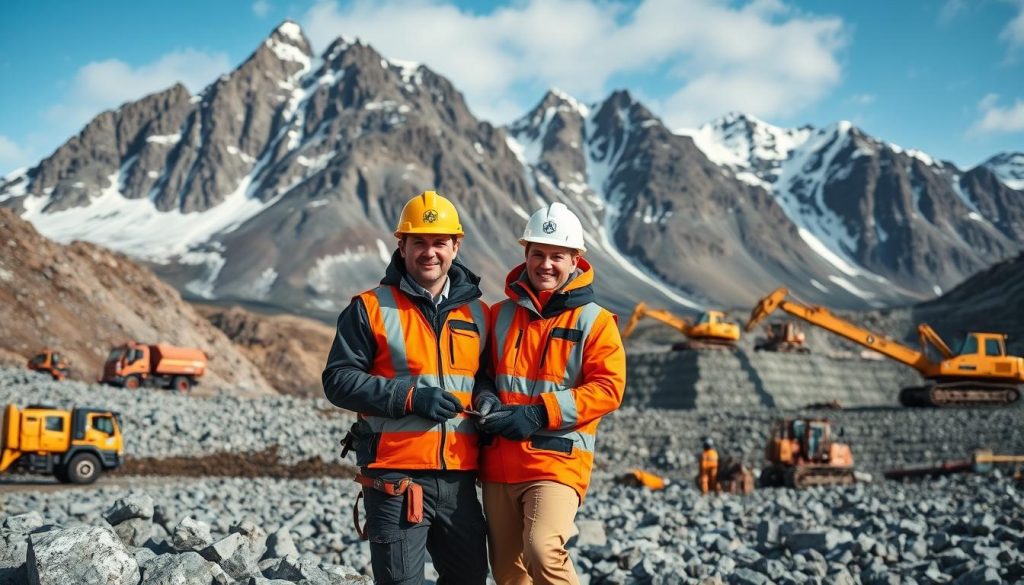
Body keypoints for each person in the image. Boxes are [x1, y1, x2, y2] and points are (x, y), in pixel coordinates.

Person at [322, 191, 490, 585]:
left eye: (439, 243)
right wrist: (410, 397)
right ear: (402, 245)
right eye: (419, 242)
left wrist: (487, 398)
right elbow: (338, 380)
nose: (429, 253)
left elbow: (483, 377)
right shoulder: (369, 307)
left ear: (456, 246)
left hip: (460, 478)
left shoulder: (479, 312)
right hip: (395, 479)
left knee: (469, 579)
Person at [473, 201, 626, 585]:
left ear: (576, 260)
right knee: (508, 572)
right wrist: (486, 398)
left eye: (557, 256)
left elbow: (608, 388)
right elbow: (483, 374)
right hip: (499, 465)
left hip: (556, 463)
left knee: (543, 550)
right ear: (525, 254)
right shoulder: (499, 314)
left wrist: (540, 413)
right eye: (538, 253)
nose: (546, 264)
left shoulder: (596, 321)